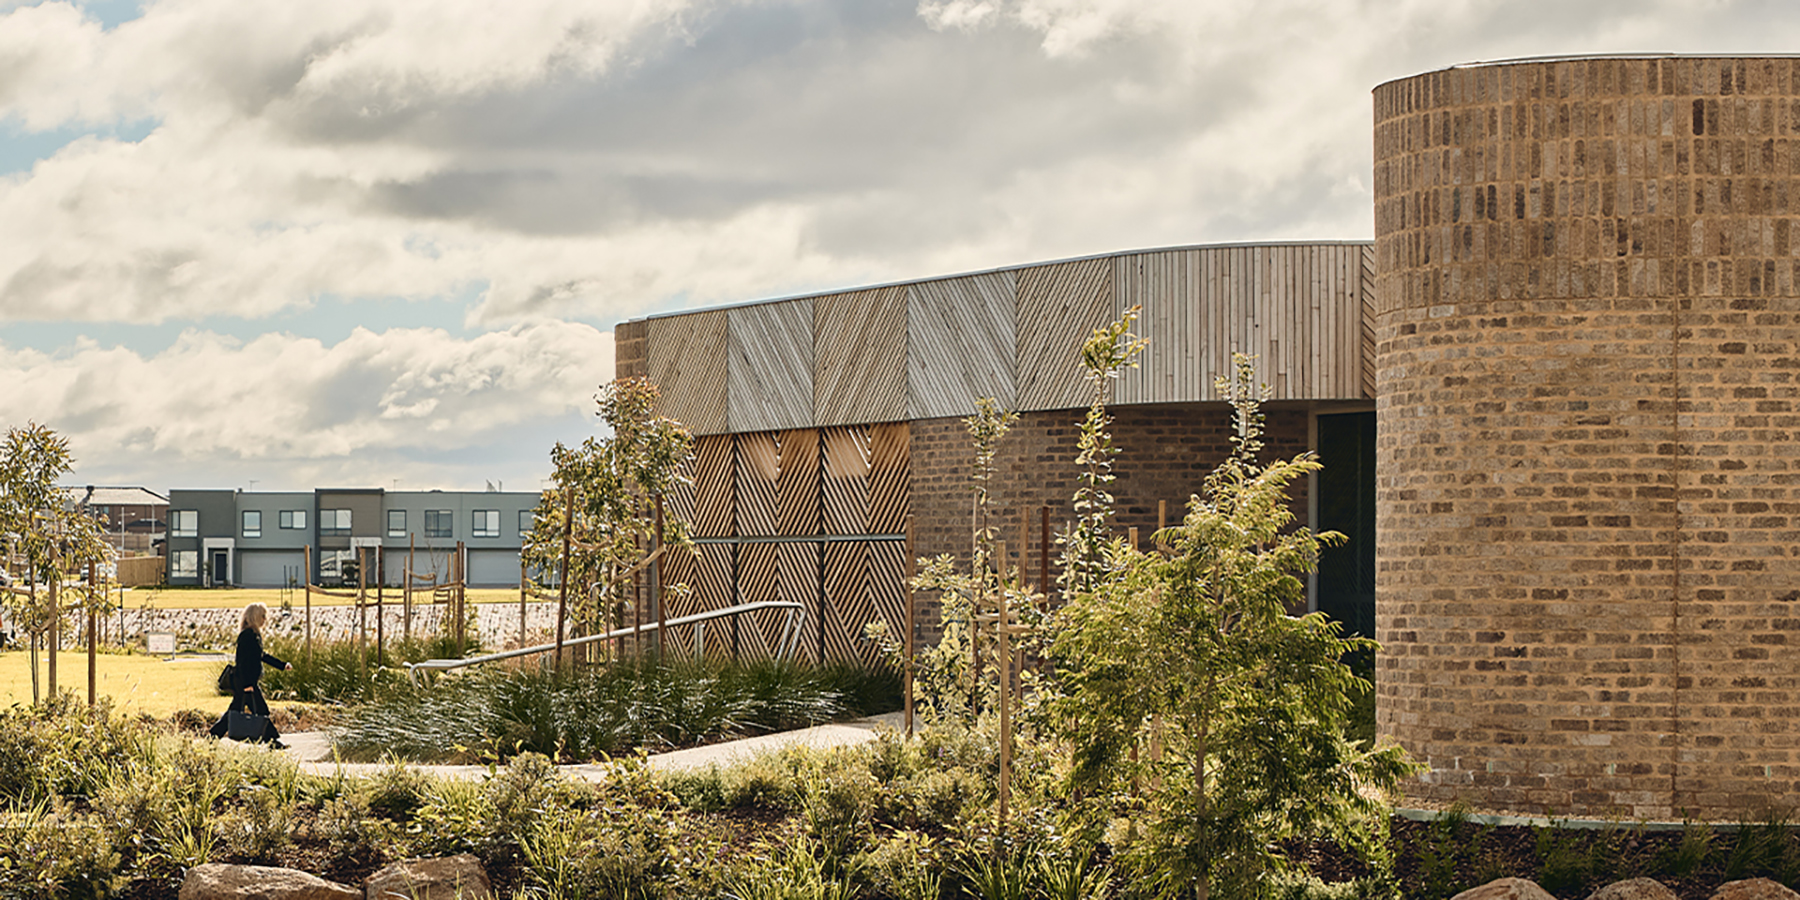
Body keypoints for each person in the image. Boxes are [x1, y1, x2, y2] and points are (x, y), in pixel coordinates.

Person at [209, 602, 292, 749]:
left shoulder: (253, 635)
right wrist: (248, 684)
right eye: (263, 616)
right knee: (260, 710)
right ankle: (272, 741)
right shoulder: (247, 636)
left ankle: (212, 737)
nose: (265, 620)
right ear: (255, 617)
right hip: (245, 682)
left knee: (235, 711)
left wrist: (282, 665)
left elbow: (261, 656)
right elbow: (242, 662)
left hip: (246, 681)